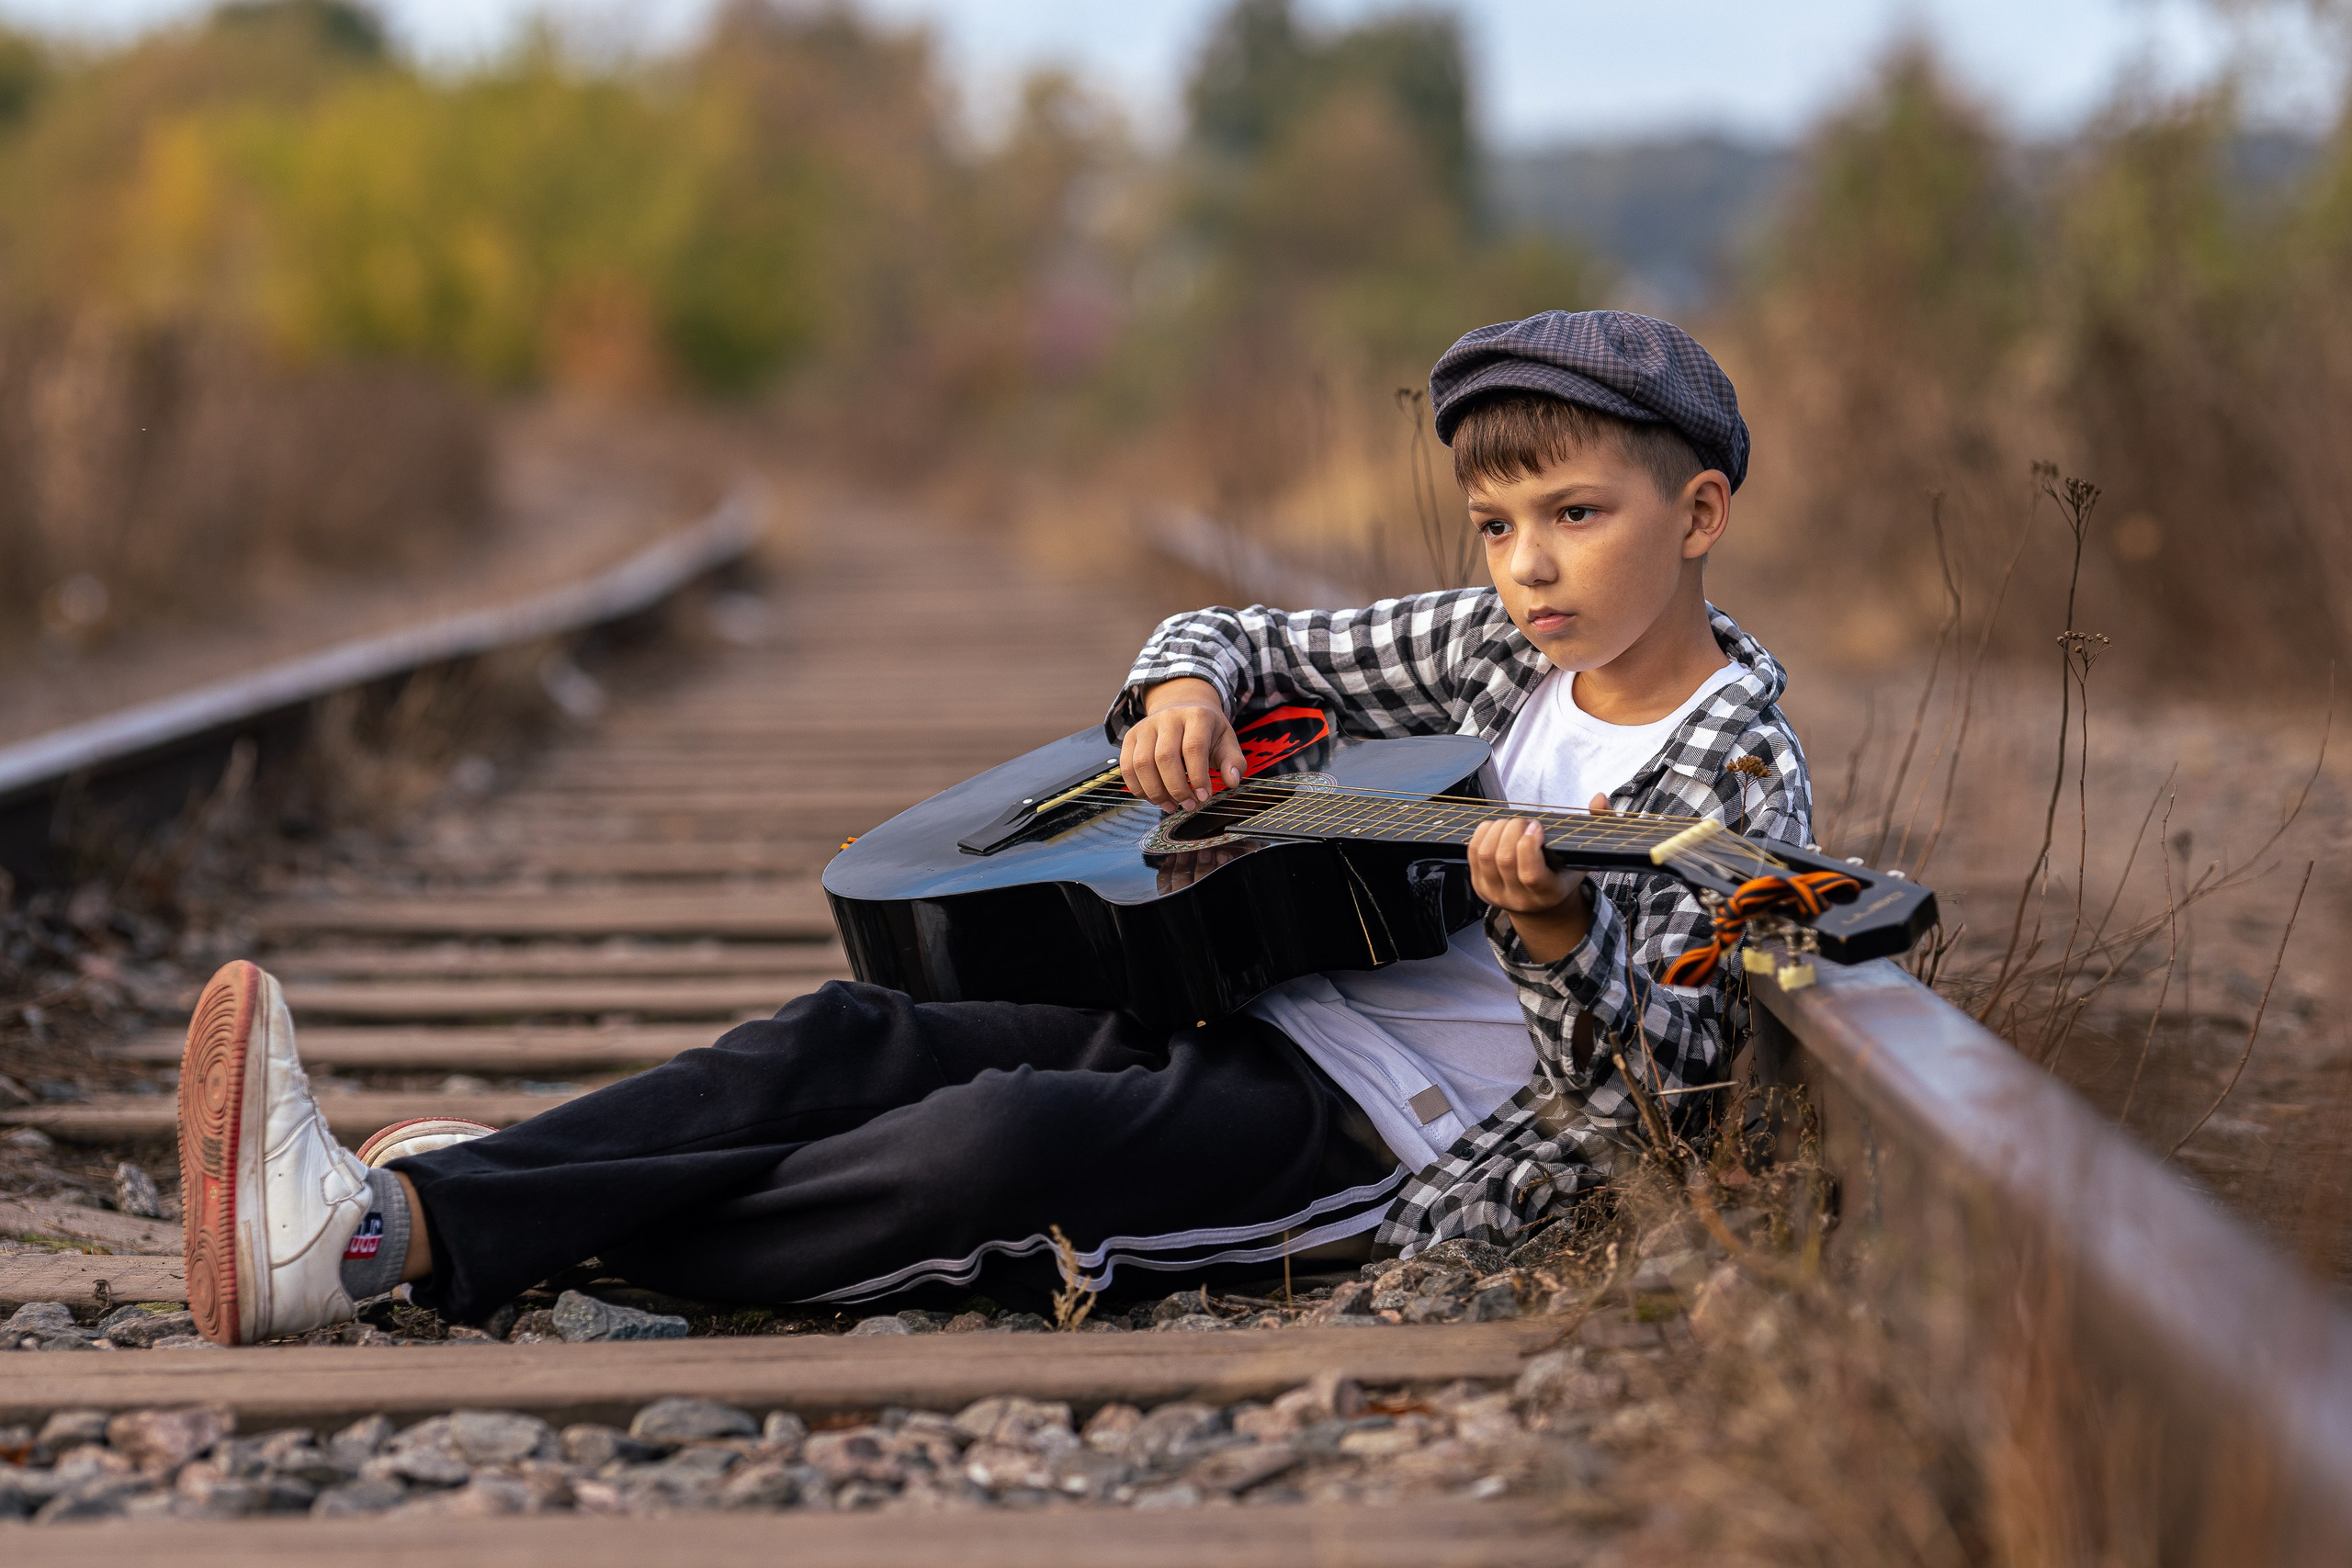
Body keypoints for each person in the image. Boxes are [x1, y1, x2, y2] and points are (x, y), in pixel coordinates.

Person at [174, 310, 1812, 1346]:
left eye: (1576, 519)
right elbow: (1238, 634)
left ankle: (411, 1230)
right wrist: (1173, 699)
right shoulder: (1492, 646)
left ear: (1699, 516)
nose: (1527, 567)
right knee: (860, 1033)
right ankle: (459, 1207)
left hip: (1384, 1148)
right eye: (1498, 525)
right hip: (1256, 1013)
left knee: (998, 1154)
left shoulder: (1734, 781)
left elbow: (1662, 1099)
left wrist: (1546, 939)